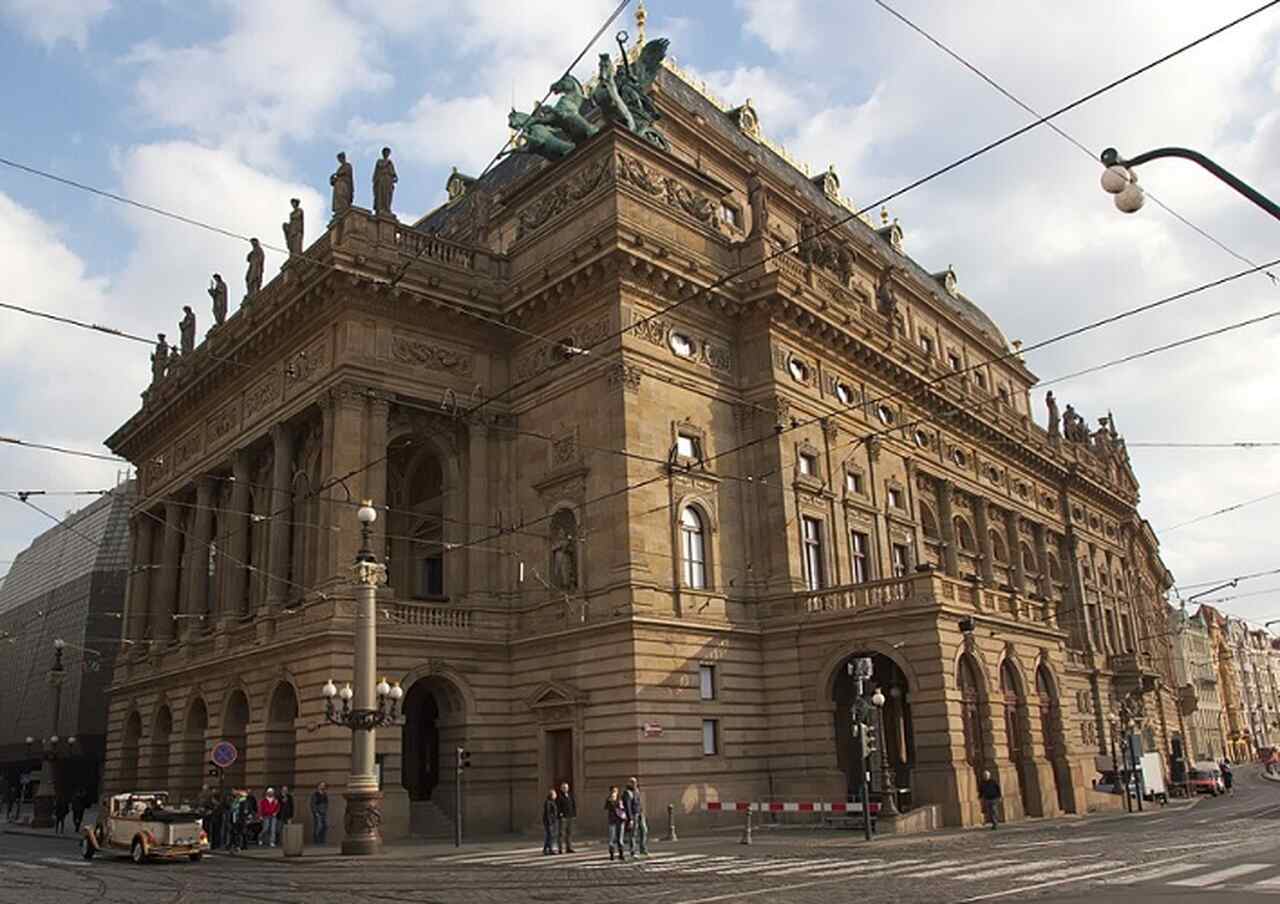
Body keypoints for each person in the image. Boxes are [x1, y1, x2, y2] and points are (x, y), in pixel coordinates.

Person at [623, 776, 648, 857]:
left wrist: (642, 811)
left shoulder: (637, 790)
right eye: (632, 782)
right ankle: (633, 851)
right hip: (633, 815)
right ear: (629, 783)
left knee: (644, 830)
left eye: (635, 782)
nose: (635, 784)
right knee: (633, 833)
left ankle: (643, 849)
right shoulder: (627, 793)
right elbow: (628, 806)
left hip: (640, 813)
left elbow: (639, 803)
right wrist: (630, 819)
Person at [605, 785, 627, 861]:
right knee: (612, 838)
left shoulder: (620, 799)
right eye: (613, 791)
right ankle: (612, 855)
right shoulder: (609, 799)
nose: (614, 792)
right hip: (612, 821)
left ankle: (621, 854)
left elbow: (623, 808)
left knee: (620, 839)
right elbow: (606, 808)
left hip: (620, 820)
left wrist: (620, 805)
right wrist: (610, 801)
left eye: (616, 791)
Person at [556, 782, 576, 854]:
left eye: (566, 787)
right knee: (561, 833)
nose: (565, 789)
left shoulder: (570, 795)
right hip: (563, 817)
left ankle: (569, 848)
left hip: (570, 816)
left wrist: (574, 814)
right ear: (561, 789)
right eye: (564, 787)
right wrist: (560, 814)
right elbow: (557, 807)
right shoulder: (559, 796)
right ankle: (560, 849)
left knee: (569, 833)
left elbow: (573, 805)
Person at [542, 788, 559, 855]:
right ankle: (549, 849)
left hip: (552, 821)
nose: (556, 795)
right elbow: (548, 813)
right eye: (555, 794)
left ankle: (546, 849)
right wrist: (550, 822)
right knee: (550, 836)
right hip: (549, 822)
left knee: (550, 836)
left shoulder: (552, 801)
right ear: (552, 795)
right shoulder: (548, 802)